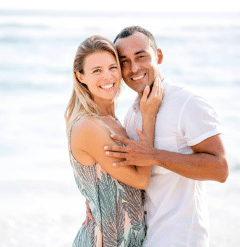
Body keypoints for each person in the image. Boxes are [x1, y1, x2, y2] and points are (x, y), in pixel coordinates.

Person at [85, 26, 228, 246]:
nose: (134, 68)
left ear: (158, 56)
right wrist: (98, 199)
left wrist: (155, 156)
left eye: (141, 57)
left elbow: (220, 169)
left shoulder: (187, 104)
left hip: (181, 237)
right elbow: (134, 176)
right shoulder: (131, 114)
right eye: (124, 61)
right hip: (145, 237)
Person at [65, 35, 163, 246]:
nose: (108, 77)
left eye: (112, 67)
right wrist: (149, 116)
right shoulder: (88, 126)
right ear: (80, 77)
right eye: (96, 70)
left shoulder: (115, 121)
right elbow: (140, 180)